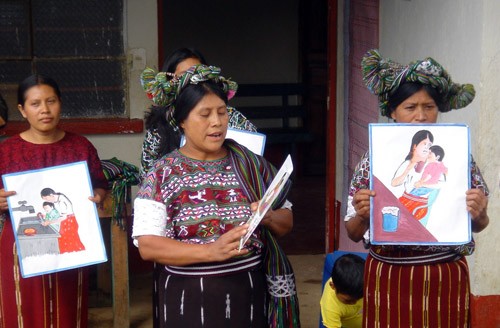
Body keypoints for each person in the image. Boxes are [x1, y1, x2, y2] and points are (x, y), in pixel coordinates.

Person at [133, 64, 299, 327]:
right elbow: (148, 245)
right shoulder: (162, 173)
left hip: (248, 294)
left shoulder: (251, 164)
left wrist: (268, 217)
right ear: (182, 121)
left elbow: (286, 222)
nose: (217, 122)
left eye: (222, 112)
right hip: (186, 298)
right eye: (205, 114)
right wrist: (211, 251)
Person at [345, 49, 490, 327]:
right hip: (389, 277)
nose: (421, 116)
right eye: (410, 107)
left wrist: (479, 213)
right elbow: (353, 233)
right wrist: (363, 214)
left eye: (429, 107)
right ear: (392, 111)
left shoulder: (458, 157)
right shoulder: (373, 160)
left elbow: (478, 224)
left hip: (444, 276)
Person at [0, 74, 108, 327]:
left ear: (60, 103)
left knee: (67, 309)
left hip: (68, 244)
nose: (45, 110)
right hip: (19, 243)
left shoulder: (80, 146)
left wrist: (99, 195)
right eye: (35, 104)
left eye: (51, 101)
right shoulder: (6, 151)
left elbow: (100, 184)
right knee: (23, 310)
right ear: (22, 110)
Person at [141, 47, 257, 180]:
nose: (216, 122)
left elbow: (254, 151)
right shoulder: (158, 129)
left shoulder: (229, 115)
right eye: (185, 77)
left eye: (198, 75)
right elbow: (146, 177)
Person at [320, 254, 365, 328]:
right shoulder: (330, 306)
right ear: (333, 286)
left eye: (359, 298)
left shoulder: (367, 281)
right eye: (348, 301)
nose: (354, 303)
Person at [40, 187, 86, 253]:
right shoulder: (57, 200)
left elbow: (63, 217)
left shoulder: (62, 201)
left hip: (69, 221)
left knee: (68, 239)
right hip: (66, 221)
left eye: (46, 199)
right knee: (64, 239)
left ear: (51, 195)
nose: (47, 201)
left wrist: (49, 222)